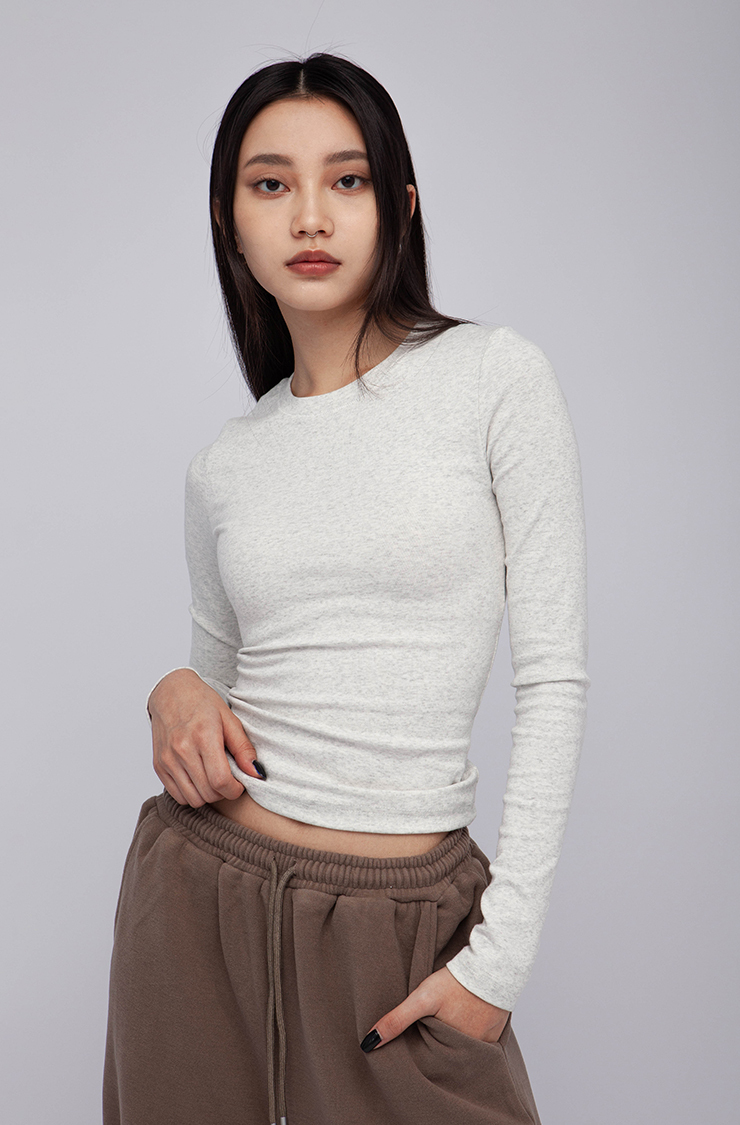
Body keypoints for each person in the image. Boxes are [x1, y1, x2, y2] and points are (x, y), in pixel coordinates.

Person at [103, 52, 589, 1125]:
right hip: (198, 901)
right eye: (271, 183)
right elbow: (215, 704)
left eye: (348, 179)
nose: (311, 216)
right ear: (230, 221)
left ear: (399, 206)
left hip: (400, 921)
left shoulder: (494, 378)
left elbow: (553, 680)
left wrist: (498, 964)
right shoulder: (225, 464)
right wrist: (170, 690)